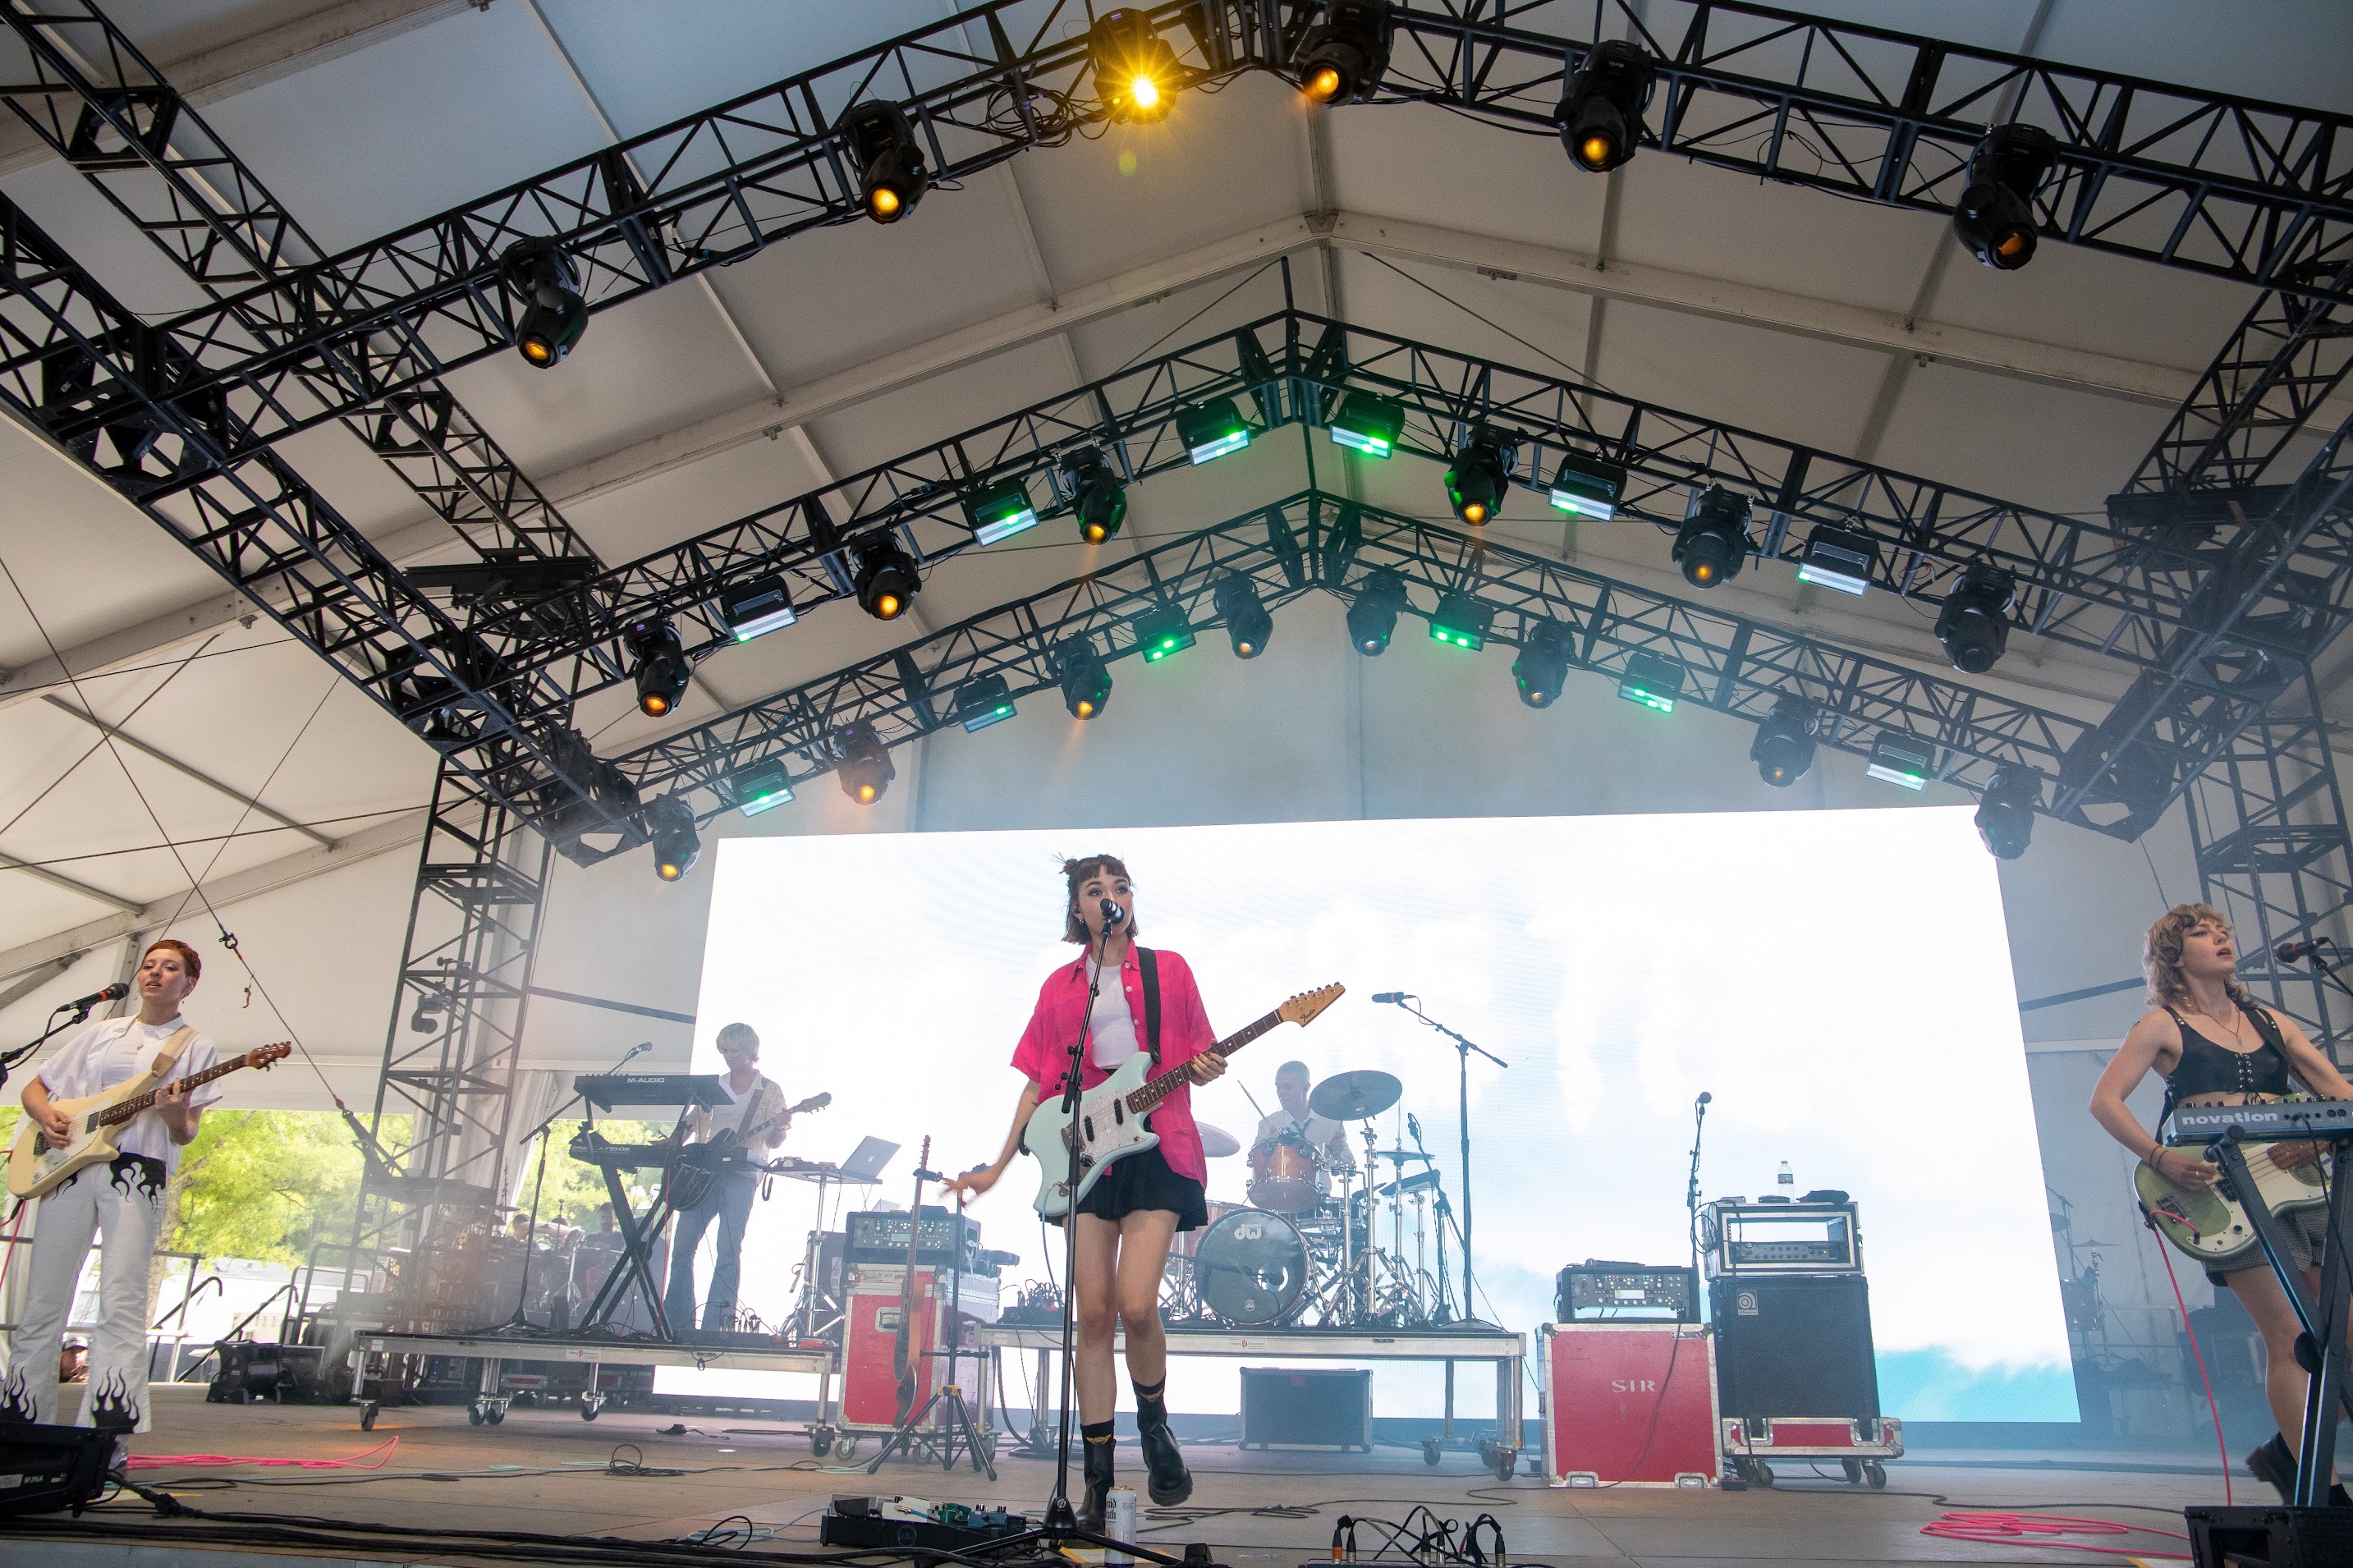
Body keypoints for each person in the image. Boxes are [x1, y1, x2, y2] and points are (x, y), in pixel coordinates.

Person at [947, 855, 1227, 1526]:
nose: (1111, 898)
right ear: (1078, 909)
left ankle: (1156, 1428)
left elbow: (1200, 1054)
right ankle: (1097, 1477)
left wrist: (1208, 1065)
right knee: (1093, 1315)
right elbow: (1038, 1088)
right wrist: (996, 1167)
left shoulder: (1170, 971)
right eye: (1096, 890)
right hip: (1090, 1154)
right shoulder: (1060, 987)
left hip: (1158, 1146)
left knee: (1136, 1305)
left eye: (1121, 888)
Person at [2089, 904, 2353, 1506]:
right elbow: (2105, 1102)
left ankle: (2291, 1454)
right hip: (2229, 1193)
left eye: (2225, 932)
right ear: (2175, 956)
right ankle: (2326, 1498)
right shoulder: (2161, 1025)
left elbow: (2338, 1094)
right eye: (2206, 934)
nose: (2222, 939)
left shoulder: (2271, 1021)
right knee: (2290, 1336)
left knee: (2345, 1337)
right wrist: (2160, 1157)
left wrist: (2315, 1125)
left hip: (2307, 1184)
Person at [7, 940, 220, 1455]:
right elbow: (34, 1088)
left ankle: (104, 1441)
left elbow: (185, 1131)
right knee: (43, 1301)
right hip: (69, 1169)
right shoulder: (99, 1032)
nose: (154, 973)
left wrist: (173, 1113)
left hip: (137, 1172)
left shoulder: (195, 1046)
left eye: (170, 968)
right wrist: (46, 1117)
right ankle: (18, 1428)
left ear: (188, 984)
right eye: (149, 965)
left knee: (121, 1302)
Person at [663, 1021, 788, 1336]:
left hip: (741, 1175)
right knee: (682, 1248)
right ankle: (675, 1324)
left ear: (750, 1051)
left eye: (735, 1050)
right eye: (725, 1050)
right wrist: (669, 1143)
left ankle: (716, 1326)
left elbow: (773, 1143)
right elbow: (689, 1124)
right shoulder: (713, 1085)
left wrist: (782, 1126)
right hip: (703, 1171)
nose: (729, 1056)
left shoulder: (769, 1090)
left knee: (728, 1251)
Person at [1254, 1060, 1357, 1181]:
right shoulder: (1268, 1124)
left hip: (1321, 1197)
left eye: (1288, 1087)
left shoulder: (1331, 1121)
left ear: (1306, 1087)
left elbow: (1350, 1168)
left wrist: (1338, 1155)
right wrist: (1268, 1148)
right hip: (1281, 1196)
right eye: (1278, 1087)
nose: (1281, 1093)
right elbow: (1256, 1168)